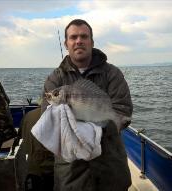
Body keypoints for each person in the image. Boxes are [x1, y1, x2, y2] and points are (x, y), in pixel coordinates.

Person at [41, 19, 133, 191]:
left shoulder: (112, 74)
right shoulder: (55, 79)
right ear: (66, 44)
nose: (78, 41)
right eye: (73, 37)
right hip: (71, 173)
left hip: (111, 169)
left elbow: (123, 109)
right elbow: (47, 118)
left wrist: (95, 130)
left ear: (91, 41)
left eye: (84, 36)